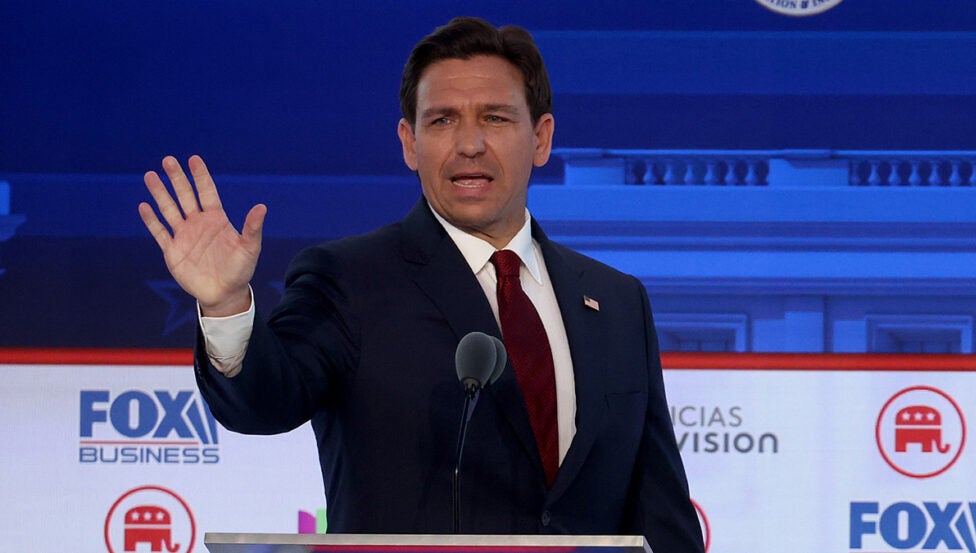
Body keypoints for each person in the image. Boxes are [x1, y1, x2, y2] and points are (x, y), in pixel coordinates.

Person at [139, 16, 704, 553]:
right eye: (442, 121)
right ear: (410, 142)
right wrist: (226, 305)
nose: (469, 144)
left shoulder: (617, 301)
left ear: (541, 138)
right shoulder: (349, 279)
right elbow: (265, 402)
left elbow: (660, 510)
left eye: (495, 118)